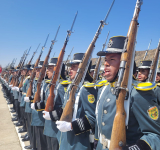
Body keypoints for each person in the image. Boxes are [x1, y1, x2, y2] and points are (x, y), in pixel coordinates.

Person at [95, 36, 160, 150]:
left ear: (125, 63)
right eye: (105, 59)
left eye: (112, 59)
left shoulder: (137, 94)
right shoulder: (104, 89)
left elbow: (155, 135)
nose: (105, 63)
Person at [55, 53, 97, 150]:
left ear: (83, 69)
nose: (70, 69)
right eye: (71, 66)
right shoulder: (71, 86)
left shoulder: (86, 89)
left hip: (78, 142)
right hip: (65, 139)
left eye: (74, 67)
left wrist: (71, 126)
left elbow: (92, 119)